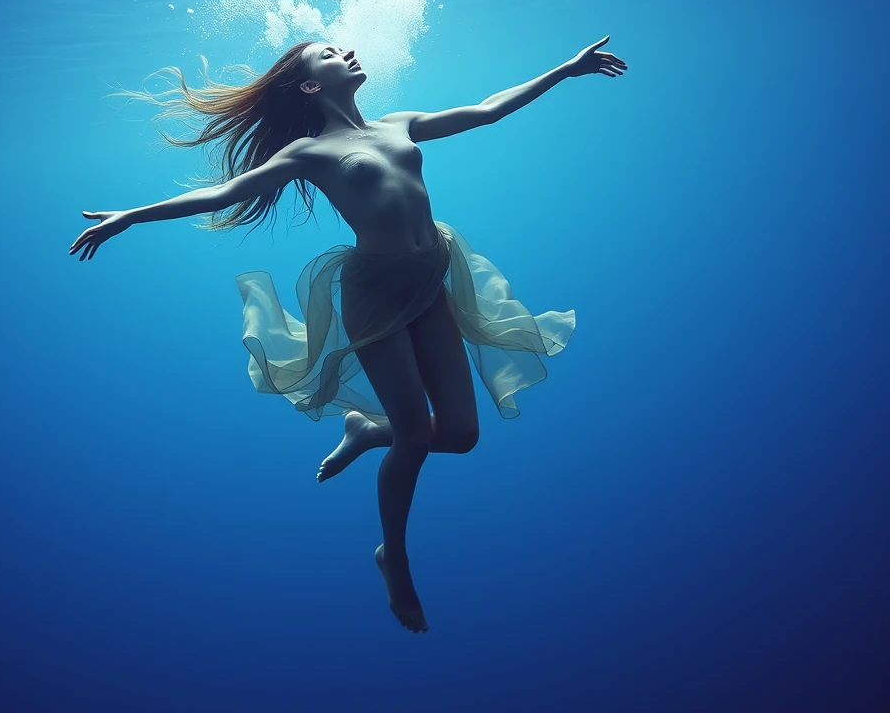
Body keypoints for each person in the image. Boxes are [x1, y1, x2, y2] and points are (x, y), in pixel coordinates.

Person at [69, 36, 627, 632]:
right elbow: (225, 193)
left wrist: (565, 70)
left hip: (431, 279)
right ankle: (394, 554)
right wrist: (132, 214)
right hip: (375, 293)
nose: (349, 53)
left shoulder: (397, 123)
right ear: (310, 86)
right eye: (330, 54)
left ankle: (364, 433)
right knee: (415, 437)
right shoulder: (309, 151)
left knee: (462, 435)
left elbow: (487, 109)